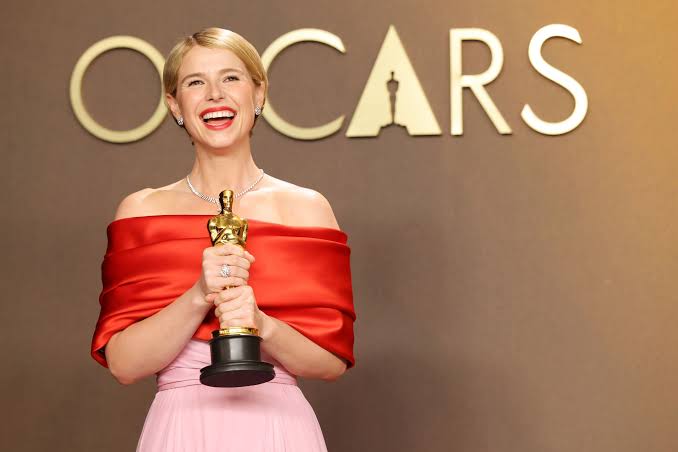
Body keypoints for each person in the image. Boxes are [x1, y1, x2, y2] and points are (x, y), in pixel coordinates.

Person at [90, 27, 356, 452]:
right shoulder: (142, 214)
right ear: (174, 104)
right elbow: (123, 365)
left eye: (231, 78)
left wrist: (262, 324)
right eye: (196, 82)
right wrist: (198, 295)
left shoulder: (306, 209)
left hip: (278, 430)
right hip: (181, 429)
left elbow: (331, 363)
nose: (215, 94)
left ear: (259, 93)